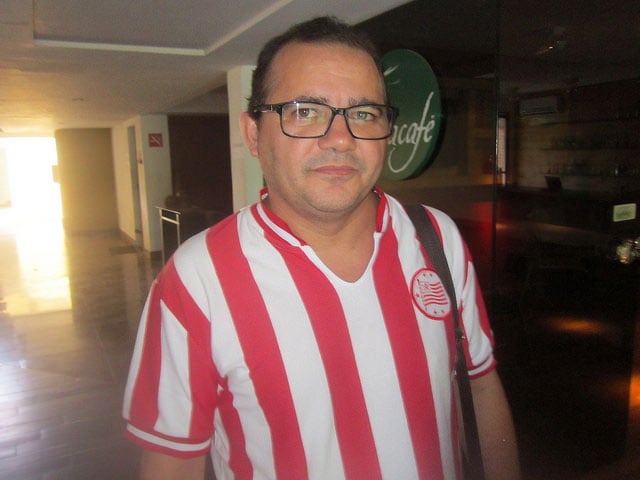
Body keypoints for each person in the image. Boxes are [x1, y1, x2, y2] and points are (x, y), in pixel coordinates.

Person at [123, 16, 520, 480]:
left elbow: (481, 385)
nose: (341, 139)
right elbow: (173, 462)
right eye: (305, 111)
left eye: (364, 114)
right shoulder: (196, 279)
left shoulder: (437, 238)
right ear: (253, 134)